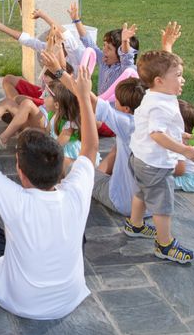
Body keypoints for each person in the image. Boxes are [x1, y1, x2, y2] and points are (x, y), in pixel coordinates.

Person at [0, 65, 98, 320]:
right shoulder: (77, 190)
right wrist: (83, 96)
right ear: (61, 169)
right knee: (76, 233)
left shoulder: (15, 199)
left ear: (19, 170)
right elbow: (90, 148)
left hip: (18, 300)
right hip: (70, 298)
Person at [41, 50, 146, 215]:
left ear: (126, 109)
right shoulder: (154, 119)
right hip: (150, 207)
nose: (113, 103)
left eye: (115, 101)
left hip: (122, 201)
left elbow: (84, 95)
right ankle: (97, 174)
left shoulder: (126, 123)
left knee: (63, 162)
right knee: (118, 148)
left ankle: (58, 203)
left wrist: (58, 71)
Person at [124, 51, 194, 263]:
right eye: (178, 75)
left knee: (141, 191)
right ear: (159, 80)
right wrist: (184, 150)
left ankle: (135, 224)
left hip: (140, 159)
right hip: (155, 165)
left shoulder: (156, 94)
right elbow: (156, 133)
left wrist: (180, 135)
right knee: (163, 205)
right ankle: (165, 245)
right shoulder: (161, 105)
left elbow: (161, 128)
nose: (182, 79)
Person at [174, 100, 194, 193]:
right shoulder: (190, 137)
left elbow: (179, 169)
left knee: (157, 182)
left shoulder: (181, 141)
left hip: (188, 180)